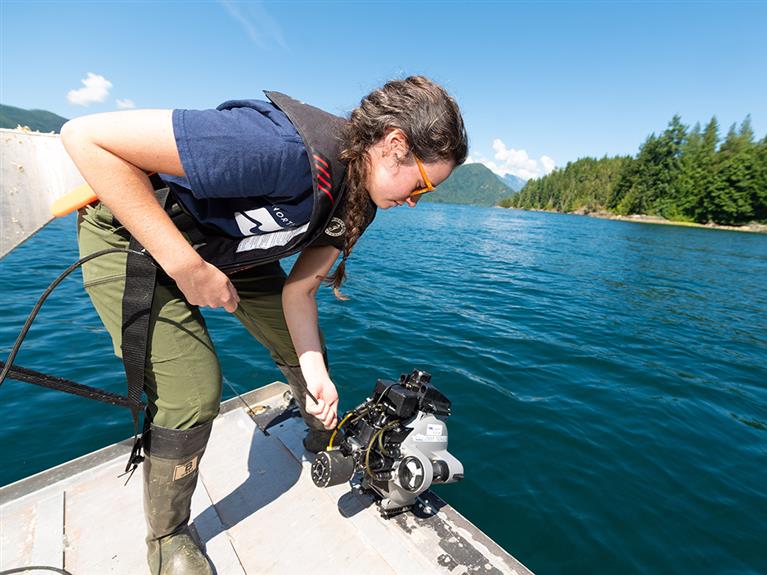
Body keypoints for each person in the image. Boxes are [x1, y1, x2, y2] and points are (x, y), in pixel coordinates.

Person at [60, 76, 468, 575]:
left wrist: (315, 372)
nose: (415, 201)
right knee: (193, 390)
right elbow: (85, 138)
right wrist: (188, 269)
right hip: (135, 239)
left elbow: (298, 290)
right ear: (394, 144)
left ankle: (325, 437)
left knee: (306, 351)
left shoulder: (359, 201)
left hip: (231, 254)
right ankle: (166, 538)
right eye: (422, 185)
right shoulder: (277, 149)